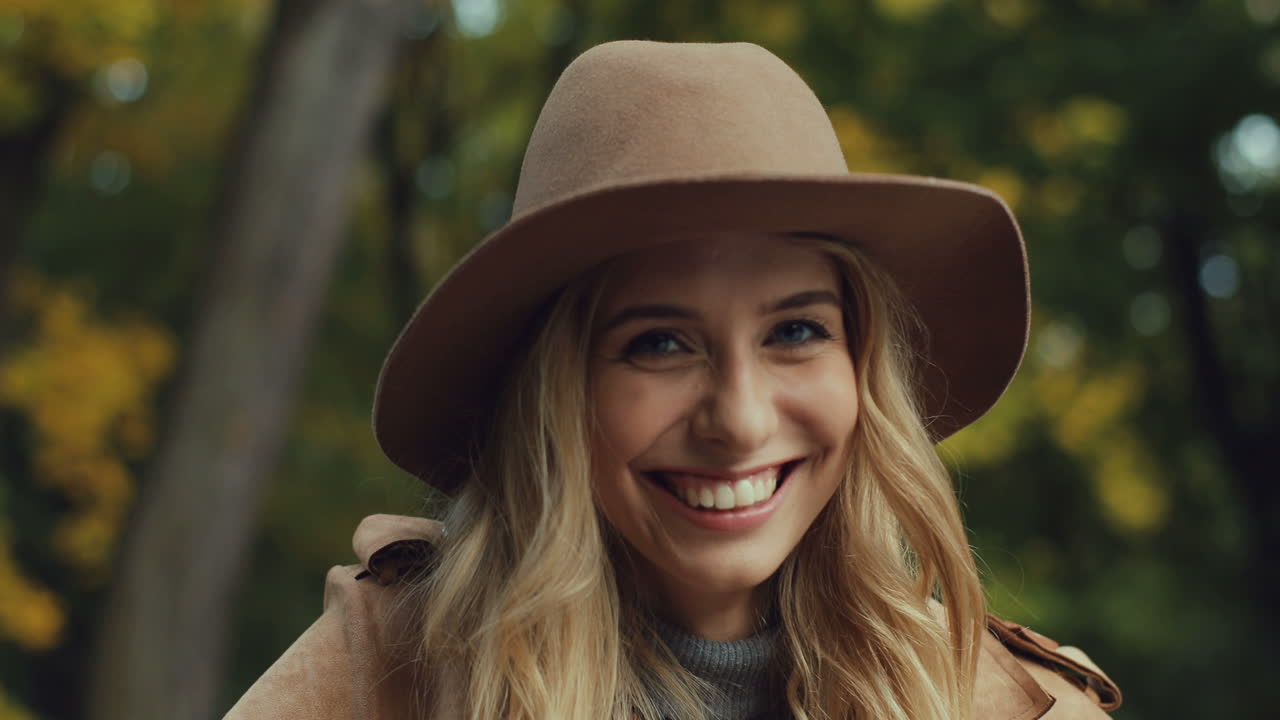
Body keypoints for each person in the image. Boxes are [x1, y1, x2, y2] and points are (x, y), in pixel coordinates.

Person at [225, 40, 1122, 720]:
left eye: (797, 331)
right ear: (555, 394)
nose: (737, 418)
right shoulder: (388, 674)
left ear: (865, 375)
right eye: (658, 344)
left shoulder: (1007, 704)